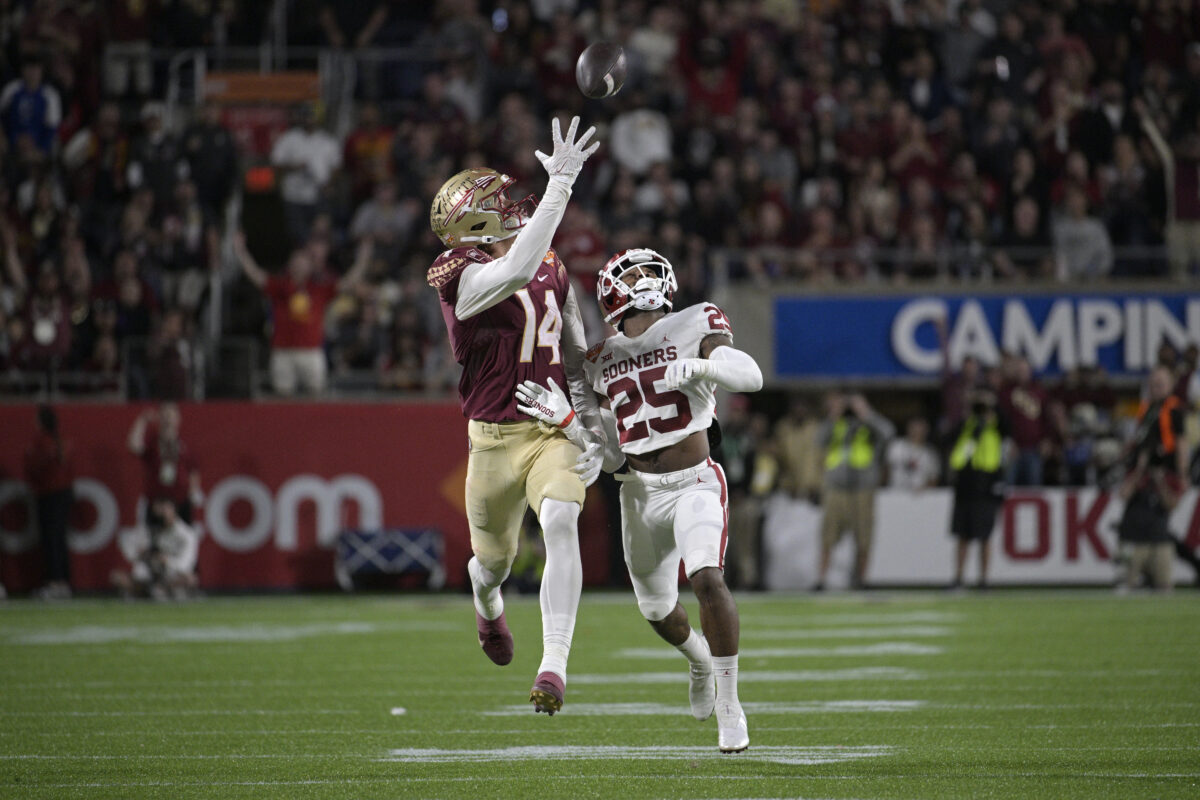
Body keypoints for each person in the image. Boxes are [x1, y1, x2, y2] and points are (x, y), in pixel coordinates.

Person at [517, 246, 763, 753]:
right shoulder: (599, 359)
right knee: (657, 612)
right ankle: (698, 659)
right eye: (635, 276)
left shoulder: (696, 321)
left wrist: (704, 371)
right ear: (610, 295)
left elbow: (751, 377)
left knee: (707, 578)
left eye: (651, 273)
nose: (645, 284)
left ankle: (731, 701)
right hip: (637, 494)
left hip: (695, 480)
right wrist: (575, 428)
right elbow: (607, 455)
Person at [426, 116, 601, 716]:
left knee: (559, 521)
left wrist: (588, 421)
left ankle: (553, 665)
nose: (511, 205)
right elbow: (516, 270)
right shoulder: (458, 277)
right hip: (492, 440)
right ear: (472, 224)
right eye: (495, 203)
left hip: (550, 428)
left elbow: (574, 354)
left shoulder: (550, 261)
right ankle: (488, 603)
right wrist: (561, 188)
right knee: (492, 563)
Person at [233, 234, 373, 396]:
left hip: (311, 351)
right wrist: (240, 251)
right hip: (283, 351)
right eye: (296, 261)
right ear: (290, 264)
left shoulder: (319, 289)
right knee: (283, 398)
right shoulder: (279, 287)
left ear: (309, 266)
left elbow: (348, 282)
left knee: (316, 397)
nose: (299, 265)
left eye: (303, 262)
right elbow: (255, 275)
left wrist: (363, 258)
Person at [1113, 366, 1186, 592]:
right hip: (1141, 475)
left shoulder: (1174, 409)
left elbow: (1181, 442)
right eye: (1153, 383)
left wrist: (1182, 473)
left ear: (1170, 386)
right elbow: (1139, 440)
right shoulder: (1147, 409)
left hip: (1162, 472)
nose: (1156, 388)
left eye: (1161, 384)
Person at [816, 391, 895, 590]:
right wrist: (834, 414)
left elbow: (888, 433)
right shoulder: (837, 423)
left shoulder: (869, 423)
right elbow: (819, 439)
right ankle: (821, 580)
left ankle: (863, 579)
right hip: (836, 487)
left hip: (863, 487)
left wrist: (865, 413)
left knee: (864, 535)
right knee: (828, 535)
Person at [947, 390, 1009, 590]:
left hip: (987, 486)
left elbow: (1010, 428)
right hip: (965, 485)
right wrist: (967, 414)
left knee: (985, 536)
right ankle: (959, 578)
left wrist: (993, 406)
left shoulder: (996, 426)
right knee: (963, 536)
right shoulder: (966, 425)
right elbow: (948, 438)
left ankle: (984, 579)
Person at [25, 405, 75, 599]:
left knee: (51, 539)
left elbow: (35, 467)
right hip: (64, 493)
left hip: (49, 494)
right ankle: (63, 581)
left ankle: (55, 581)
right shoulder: (61, 441)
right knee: (59, 538)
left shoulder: (43, 442)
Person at [111, 496, 199, 600]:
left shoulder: (186, 534)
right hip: (150, 575)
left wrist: (166, 560)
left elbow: (186, 563)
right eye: (158, 510)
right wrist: (143, 554)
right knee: (117, 577)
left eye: (164, 510)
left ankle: (159, 591)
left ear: (173, 510)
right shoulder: (150, 530)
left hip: (172, 576)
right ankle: (151, 591)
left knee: (190, 579)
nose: (160, 514)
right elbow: (130, 549)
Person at [127, 403, 201, 524]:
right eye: (165, 415)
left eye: (171, 415)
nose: (168, 419)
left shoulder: (185, 445)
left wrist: (193, 492)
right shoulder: (152, 442)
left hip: (180, 501)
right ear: (159, 418)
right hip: (157, 503)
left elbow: (193, 470)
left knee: (184, 538)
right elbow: (134, 446)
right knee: (154, 540)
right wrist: (142, 421)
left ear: (178, 419)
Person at [886, 417, 940, 490]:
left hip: (920, 497)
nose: (917, 433)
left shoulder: (931, 453)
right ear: (908, 429)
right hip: (895, 493)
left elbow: (934, 478)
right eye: (914, 429)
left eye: (920, 430)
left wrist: (925, 489)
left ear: (926, 431)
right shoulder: (896, 446)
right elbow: (886, 469)